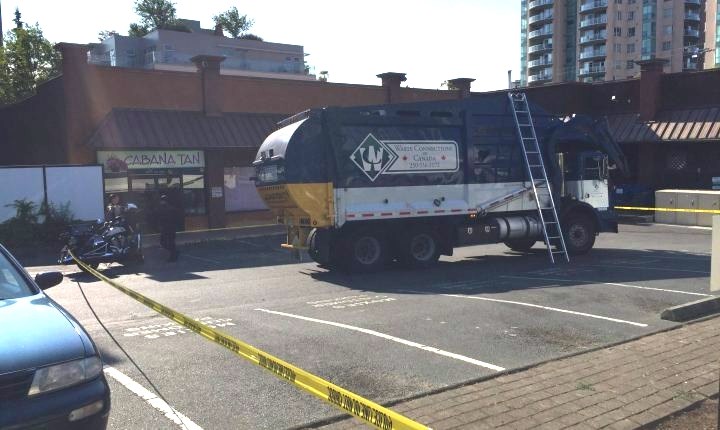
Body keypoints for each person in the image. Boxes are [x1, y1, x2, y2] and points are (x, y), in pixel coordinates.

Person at [156, 194, 180, 262]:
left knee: (167, 242)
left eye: (162, 201)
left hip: (168, 228)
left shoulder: (167, 209)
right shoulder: (170, 209)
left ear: (165, 201)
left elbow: (163, 219)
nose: (161, 202)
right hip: (169, 228)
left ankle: (173, 256)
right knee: (168, 242)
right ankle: (174, 253)